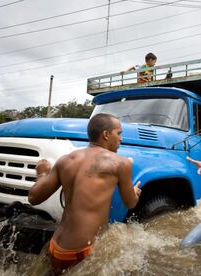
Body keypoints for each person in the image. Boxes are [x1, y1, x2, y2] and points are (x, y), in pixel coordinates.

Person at [28, 113, 142, 275]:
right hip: (83, 252)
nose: (121, 139)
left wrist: (42, 174)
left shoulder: (66, 160)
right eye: (119, 133)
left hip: (55, 247)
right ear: (106, 135)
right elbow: (130, 203)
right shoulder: (120, 163)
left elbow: (33, 198)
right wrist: (135, 192)